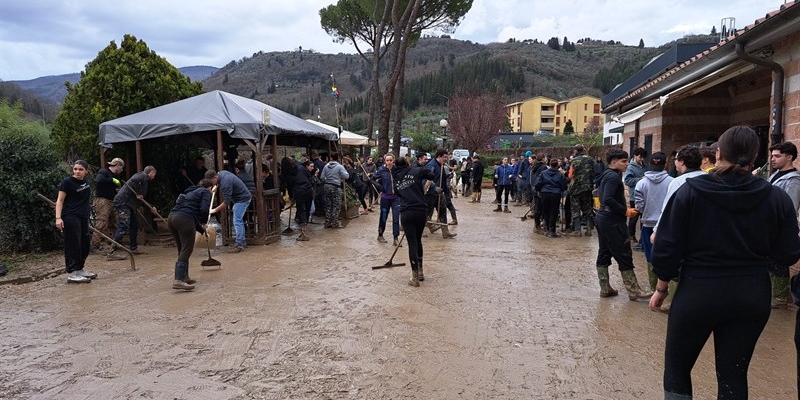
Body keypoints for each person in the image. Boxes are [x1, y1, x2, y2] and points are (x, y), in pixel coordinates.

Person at [649, 126, 800, 399]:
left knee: (678, 368)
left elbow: (666, 250)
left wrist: (661, 287)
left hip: (698, 291)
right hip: (751, 293)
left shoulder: (689, 192)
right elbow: (789, 253)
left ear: (718, 153)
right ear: (755, 156)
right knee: (733, 374)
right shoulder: (776, 197)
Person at [650, 145, 705, 313]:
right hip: (703, 235)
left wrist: (657, 231)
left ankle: (672, 298)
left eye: (676, 160)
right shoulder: (709, 178)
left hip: (683, 231)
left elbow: (668, 210)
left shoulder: (679, 182)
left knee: (677, 265)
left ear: (681, 162)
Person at [595, 149, 652, 300]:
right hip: (612, 220)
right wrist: (625, 211)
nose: (627, 164)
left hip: (603, 218)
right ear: (613, 162)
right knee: (624, 252)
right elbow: (607, 198)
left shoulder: (608, 174)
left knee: (604, 251)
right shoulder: (613, 177)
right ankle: (634, 291)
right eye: (623, 161)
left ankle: (605, 288)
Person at [393, 155, 437, 286]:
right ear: (407, 162)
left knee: (412, 243)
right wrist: (425, 187)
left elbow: (397, 194)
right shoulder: (417, 171)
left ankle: (415, 277)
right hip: (421, 211)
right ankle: (421, 272)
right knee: (418, 240)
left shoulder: (396, 178)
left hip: (407, 212)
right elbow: (431, 175)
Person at [766, 141, 800, 309]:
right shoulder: (775, 175)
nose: (772, 159)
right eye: (772, 156)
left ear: (789, 157)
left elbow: (790, 207)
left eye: (777, 156)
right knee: (770, 260)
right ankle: (774, 293)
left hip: (780, 227)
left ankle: (780, 297)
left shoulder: (793, 180)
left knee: (779, 261)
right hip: (770, 225)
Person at [633, 152, 672, 291]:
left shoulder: (641, 183)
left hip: (648, 224)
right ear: (665, 164)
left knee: (650, 256)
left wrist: (646, 211)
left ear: (650, 164)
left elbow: (639, 205)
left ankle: (653, 287)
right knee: (668, 255)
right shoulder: (672, 182)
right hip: (667, 226)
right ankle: (666, 289)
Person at [167, 178, 214, 291]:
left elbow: (191, 213)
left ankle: (184, 277)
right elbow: (204, 209)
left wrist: (202, 231)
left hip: (172, 218)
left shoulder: (189, 192)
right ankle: (178, 280)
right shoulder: (205, 192)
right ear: (210, 187)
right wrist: (204, 222)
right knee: (187, 249)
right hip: (184, 219)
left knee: (182, 249)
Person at [55, 160, 97, 283]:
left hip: (83, 216)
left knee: (85, 244)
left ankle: (80, 269)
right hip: (70, 216)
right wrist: (58, 218)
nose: (77, 172)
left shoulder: (86, 181)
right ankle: (72, 272)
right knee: (73, 244)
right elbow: (60, 201)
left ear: (86, 171)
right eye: (75, 169)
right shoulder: (67, 182)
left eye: (80, 169)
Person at [107, 166, 158, 260]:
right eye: (154, 174)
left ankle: (133, 248)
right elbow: (135, 180)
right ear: (151, 173)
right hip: (123, 202)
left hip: (129, 205)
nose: (154, 176)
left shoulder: (144, 180)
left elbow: (142, 198)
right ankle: (112, 251)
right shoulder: (142, 176)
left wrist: (151, 207)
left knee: (134, 225)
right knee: (124, 225)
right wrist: (138, 193)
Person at [207, 169, 252, 252]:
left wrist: (215, 210)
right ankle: (242, 241)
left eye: (211, 182)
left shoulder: (225, 183)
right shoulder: (221, 173)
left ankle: (240, 244)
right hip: (239, 198)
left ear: (215, 177)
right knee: (238, 220)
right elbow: (218, 181)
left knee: (237, 221)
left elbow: (226, 202)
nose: (211, 184)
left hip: (242, 199)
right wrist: (215, 186)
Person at [91, 157, 124, 252]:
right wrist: (111, 180)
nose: (121, 171)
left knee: (115, 222)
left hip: (112, 200)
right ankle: (95, 245)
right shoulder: (104, 172)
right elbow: (99, 181)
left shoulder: (115, 175)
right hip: (102, 201)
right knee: (101, 223)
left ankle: (116, 242)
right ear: (118, 166)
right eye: (121, 168)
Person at [424, 149, 457, 238]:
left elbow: (440, 177)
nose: (446, 159)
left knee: (442, 210)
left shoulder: (441, 165)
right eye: (444, 157)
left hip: (440, 193)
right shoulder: (431, 166)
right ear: (439, 156)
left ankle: (445, 232)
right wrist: (434, 187)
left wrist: (447, 176)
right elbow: (426, 179)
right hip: (430, 193)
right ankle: (422, 230)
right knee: (425, 212)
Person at [371, 153, 401, 245]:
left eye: (390, 160)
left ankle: (396, 238)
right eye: (387, 160)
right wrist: (380, 187)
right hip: (385, 198)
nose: (389, 162)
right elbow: (372, 179)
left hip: (396, 198)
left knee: (396, 218)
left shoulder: (397, 170)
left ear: (393, 160)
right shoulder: (381, 170)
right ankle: (380, 235)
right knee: (383, 216)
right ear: (385, 161)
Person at [533, 158, 568, 238]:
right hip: (555, 194)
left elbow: (538, 183)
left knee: (546, 211)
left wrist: (540, 190)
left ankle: (547, 229)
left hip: (545, 193)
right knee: (554, 211)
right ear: (557, 165)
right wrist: (561, 189)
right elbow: (564, 186)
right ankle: (552, 231)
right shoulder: (560, 174)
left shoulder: (543, 173)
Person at [567, 144, 596, 236]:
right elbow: (595, 172)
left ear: (575, 151)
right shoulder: (590, 159)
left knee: (575, 209)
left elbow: (570, 176)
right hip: (588, 188)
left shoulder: (573, 161)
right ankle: (588, 230)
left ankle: (577, 231)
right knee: (587, 209)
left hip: (576, 188)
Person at [623, 147, 647, 248]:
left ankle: (643, 238)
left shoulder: (644, 166)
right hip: (635, 196)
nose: (641, 159)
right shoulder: (630, 168)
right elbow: (627, 181)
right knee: (634, 217)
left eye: (643, 157)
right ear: (635, 156)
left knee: (644, 218)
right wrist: (640, 180)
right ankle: (631, 236)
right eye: (640, 157)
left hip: (645, 195)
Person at [319, 152, 349, 229]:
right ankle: (334, 223)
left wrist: (327, 180)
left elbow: (322, 177)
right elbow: (346, 176)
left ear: (331, 158)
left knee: (328, 204)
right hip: (336, 187)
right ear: (338, 158)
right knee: (336, 205)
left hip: (327, 186)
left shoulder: (326, 166)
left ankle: (327, 222)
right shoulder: (339, 167)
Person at [289, 160, 315, 241]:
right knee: (306, 211)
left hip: (299, 192)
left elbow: (290, 185)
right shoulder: (303, 169)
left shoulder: (291, 172)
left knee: (301, 211)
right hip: (308, 191)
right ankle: (305, 229)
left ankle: (304, 234)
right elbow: (310, 180)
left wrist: (291, 197)